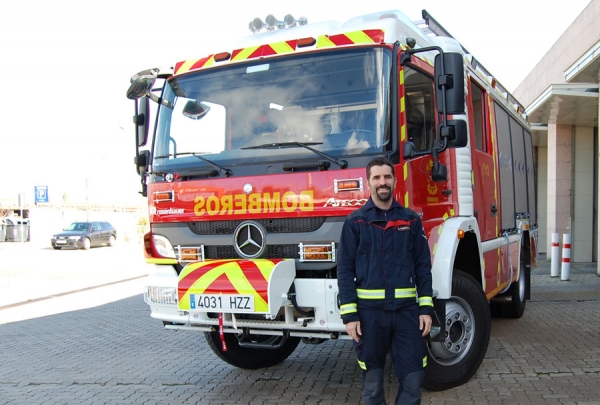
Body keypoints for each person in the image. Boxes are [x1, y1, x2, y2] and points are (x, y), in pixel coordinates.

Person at [337, 156, 434, 405]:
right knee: (372, 385)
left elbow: (423, 267)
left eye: (387, 177)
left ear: (394, 180)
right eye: (377, 177)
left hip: (406, 314)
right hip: (369, 316)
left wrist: (425, 308)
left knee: (414, 377)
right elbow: (345, 271)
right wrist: (350, 316)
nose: (383, 182)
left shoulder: (411, 220)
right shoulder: (355, 222)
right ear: (368, 183)